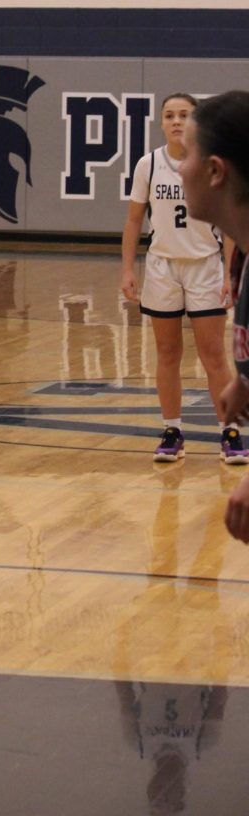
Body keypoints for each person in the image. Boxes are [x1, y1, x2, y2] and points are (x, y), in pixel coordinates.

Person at [120, 92, 245, 465]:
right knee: (166, 352)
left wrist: (229, 273)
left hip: (205, 266)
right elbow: (133, 221)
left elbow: (228, 224)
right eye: (169, 115)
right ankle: (172, 429)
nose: (176, 121)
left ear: (195, 123)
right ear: (160, 122)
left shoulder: (209, 164)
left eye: (183, 115)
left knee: (213, 354)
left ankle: (231, 431)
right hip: (162, 267)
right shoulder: (149, 164)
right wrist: (127, 268)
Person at [169, 91, 249, 540]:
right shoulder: (240, 256)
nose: (180, 167)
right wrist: (246, 381)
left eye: (191, 155)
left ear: (216, 171)